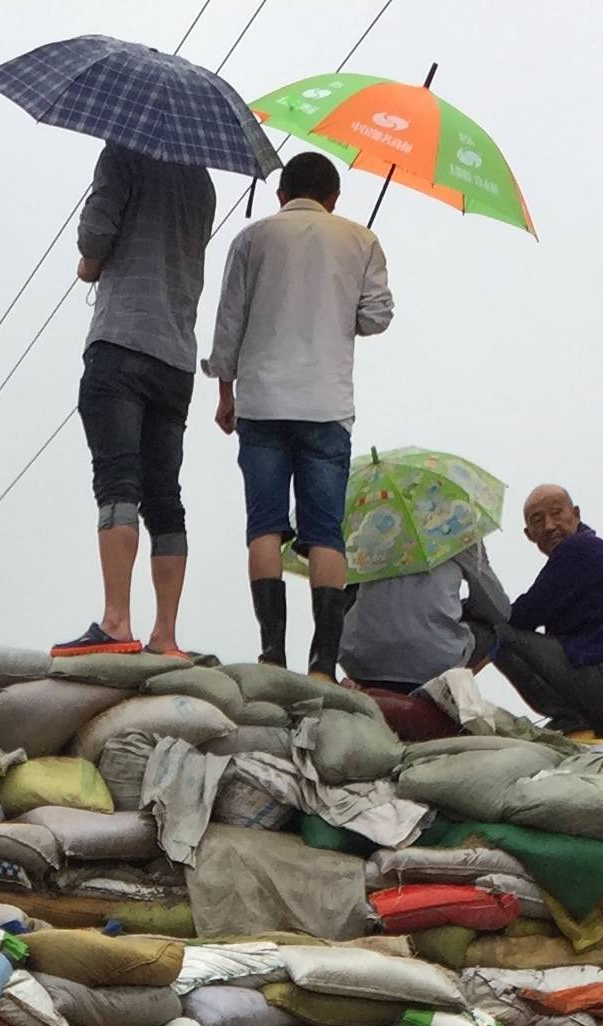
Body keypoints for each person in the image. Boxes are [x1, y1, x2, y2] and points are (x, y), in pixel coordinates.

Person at [204, 150, 392, 675]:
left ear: (280, 194)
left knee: (264, 527)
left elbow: (229, 324)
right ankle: (322, 664)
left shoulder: (252, 239)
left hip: (262, 402)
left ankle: (271, 655)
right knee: (325, 533)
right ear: (333, 198)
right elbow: (377, 318)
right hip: (326, 406)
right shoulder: (362, 240)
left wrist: (226, 392)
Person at [60, 142, 215, 657]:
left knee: (117, 481)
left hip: (121, 340)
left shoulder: (122, 155)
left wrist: (88, 263)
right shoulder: (202, 182)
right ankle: (166, 636)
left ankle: (115, 621)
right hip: (176, 358)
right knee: (165, 497)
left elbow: (95, 237)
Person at [493, 485, 603, 735]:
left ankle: (568, 715)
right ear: (529, 534)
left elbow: (522, 616)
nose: (549, 526)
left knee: (496, 632)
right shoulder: (584, 553)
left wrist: (466, 611)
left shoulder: (579, 549)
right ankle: (582, 719)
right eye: (538, 520)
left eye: (557, 513)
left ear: (576, 514)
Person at [337, 539, 509, 696]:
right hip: (436, 663)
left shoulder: (366, 526)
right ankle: (448, 694)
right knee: (492, 634)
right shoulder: (458, 527)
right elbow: (498, 610)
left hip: (360, 662)